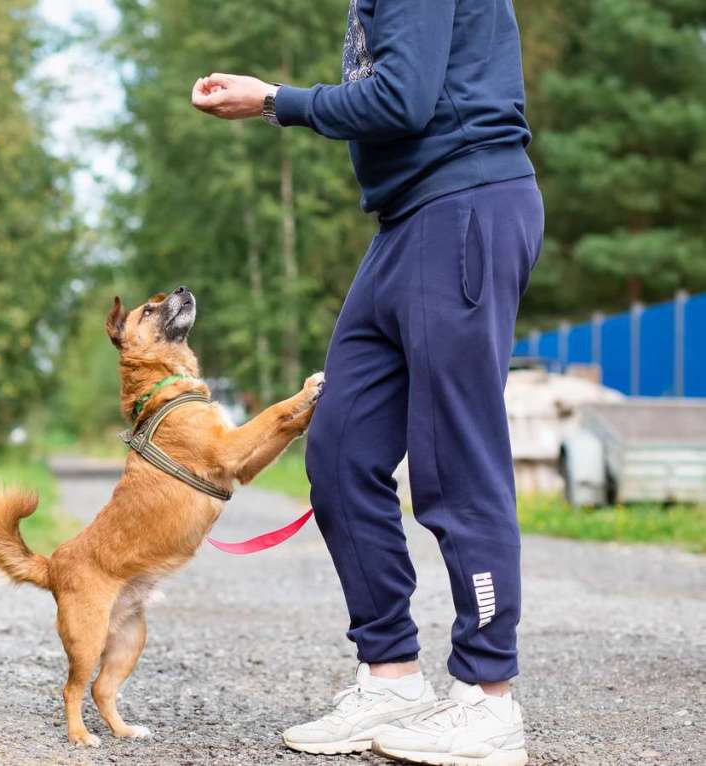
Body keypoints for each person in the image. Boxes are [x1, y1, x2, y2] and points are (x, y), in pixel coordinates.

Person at [191, 1, 543, 765]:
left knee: (454, 462)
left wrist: (273, 101)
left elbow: (403, 99)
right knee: (343, 452)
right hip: (404, 222)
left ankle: (488, 702)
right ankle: (390, 680)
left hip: (464, 206)